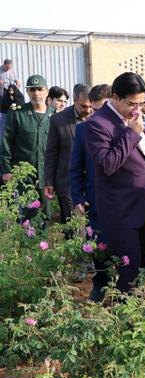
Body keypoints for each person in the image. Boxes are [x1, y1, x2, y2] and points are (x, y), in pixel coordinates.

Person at [85, 73, 145, 294]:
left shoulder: (136, 119)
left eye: (141, 103)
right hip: (120, 212)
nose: (137, 109)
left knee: (142, 268)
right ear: (115, 97)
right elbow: (106, 165)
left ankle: (139, 316)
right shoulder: (97, 123)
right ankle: (126, 321)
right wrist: (131, 134)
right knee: (128, 274)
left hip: (141, 207)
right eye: (132, 103)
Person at [70, 84, 113, 301]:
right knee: (98, 243)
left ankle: (126, 287)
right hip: (95, 199)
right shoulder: (83, 129)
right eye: (95, 110)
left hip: (124, 200)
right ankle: (101, 284)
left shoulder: (128, 128)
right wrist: (77, 197)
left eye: (103, 108)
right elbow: (76, 166)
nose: (98, 115)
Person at [0, 74, 54, 221]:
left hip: (46, 173)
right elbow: (6, 143)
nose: (36, 93)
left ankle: (41, 242)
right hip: (23, 173)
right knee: (25, 212)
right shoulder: (17, 113)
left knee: (45, 213)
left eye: (40, 89)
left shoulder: (54, 116)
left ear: (47, 91)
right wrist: (6, 170)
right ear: (28, 92)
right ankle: (26, 242)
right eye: (32, 90)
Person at [44, 84, 92, 227]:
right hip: (67, 181)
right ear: (75, 100)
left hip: (92, 181)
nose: (88, 110)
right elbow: (51, 152)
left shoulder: (97, 116)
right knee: (71, 224)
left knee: (93, 225)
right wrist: (49, 181)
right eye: (84, 106)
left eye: (90, 106)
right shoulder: (58, 120)